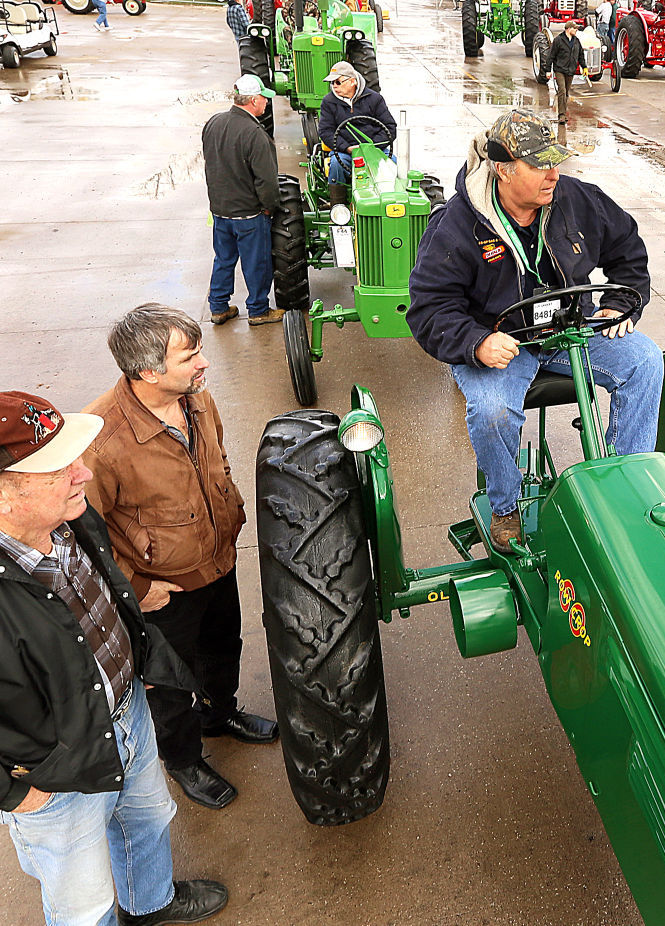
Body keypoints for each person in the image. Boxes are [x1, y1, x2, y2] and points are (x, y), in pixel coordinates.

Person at [0, 390, 230, 926]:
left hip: (129, 713)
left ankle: (149, 903)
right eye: (60, 468)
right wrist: (15, 792)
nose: (83, 473)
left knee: (147, 819)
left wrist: (139, 660)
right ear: (5, 496)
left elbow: (109, 596)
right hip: (55, 774)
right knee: (83, 904)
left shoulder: (71, 517)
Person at [407, 109, 660, 553]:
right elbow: (429, 309)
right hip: (503, 345)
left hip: (572, 330)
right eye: (539, 164)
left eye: (554, 161)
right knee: (491, 411)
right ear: (502, 170)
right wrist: (476, 342)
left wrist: (621, 305)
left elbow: (628, 250)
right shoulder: (455, 226)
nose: (553, 173)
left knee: (644, 359)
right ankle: (504, 506)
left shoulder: (579, 199)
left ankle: (625, 484)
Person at [82, 304, 277, 812]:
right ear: (148, 371)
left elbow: (217, 458)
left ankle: (220, 715)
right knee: (169, 681)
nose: (204, 363)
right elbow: (85, 531)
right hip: (161, 588)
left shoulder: (197, 399)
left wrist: (228, 513)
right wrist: (136, 589)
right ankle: (184, 758)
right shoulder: (100, 439)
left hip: (217, 562)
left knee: (222, 646)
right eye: (190, 356)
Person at [202, 74, 282, 327]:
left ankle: (218, 307)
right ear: (254, 100)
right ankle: (259, 310)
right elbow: (267, 181)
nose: (267, 104)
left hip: (220, 211)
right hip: (249, 214)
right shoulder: (255, 134)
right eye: (264, 100)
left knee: (223, 259)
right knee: (256, 263)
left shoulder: (213, 123)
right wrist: (269, 207)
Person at [317, 61, 398, 187]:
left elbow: (390, 128)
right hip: (345, 152)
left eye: (338, 82)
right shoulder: (329, 102)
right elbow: (325, 131)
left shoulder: (374, 99)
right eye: (332, 83)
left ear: (353, 81)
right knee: (336, 165)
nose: (334, 86)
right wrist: (346, 147)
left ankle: (392, 199)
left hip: (375, 149)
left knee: (392, 165)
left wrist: (372, 146)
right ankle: (338, 203)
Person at [549, 21, 584, 122]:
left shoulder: (576, 41)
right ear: (568, 29)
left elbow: (580, 55)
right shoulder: (558, 40)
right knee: (562, 91)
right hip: (559, 69)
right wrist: (547, 70)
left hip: (570, 70)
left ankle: (563, 112)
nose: (576, 30)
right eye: (575, 28)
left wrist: (584, 67)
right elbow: (551, 56)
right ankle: (561, 115)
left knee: (566, 93)